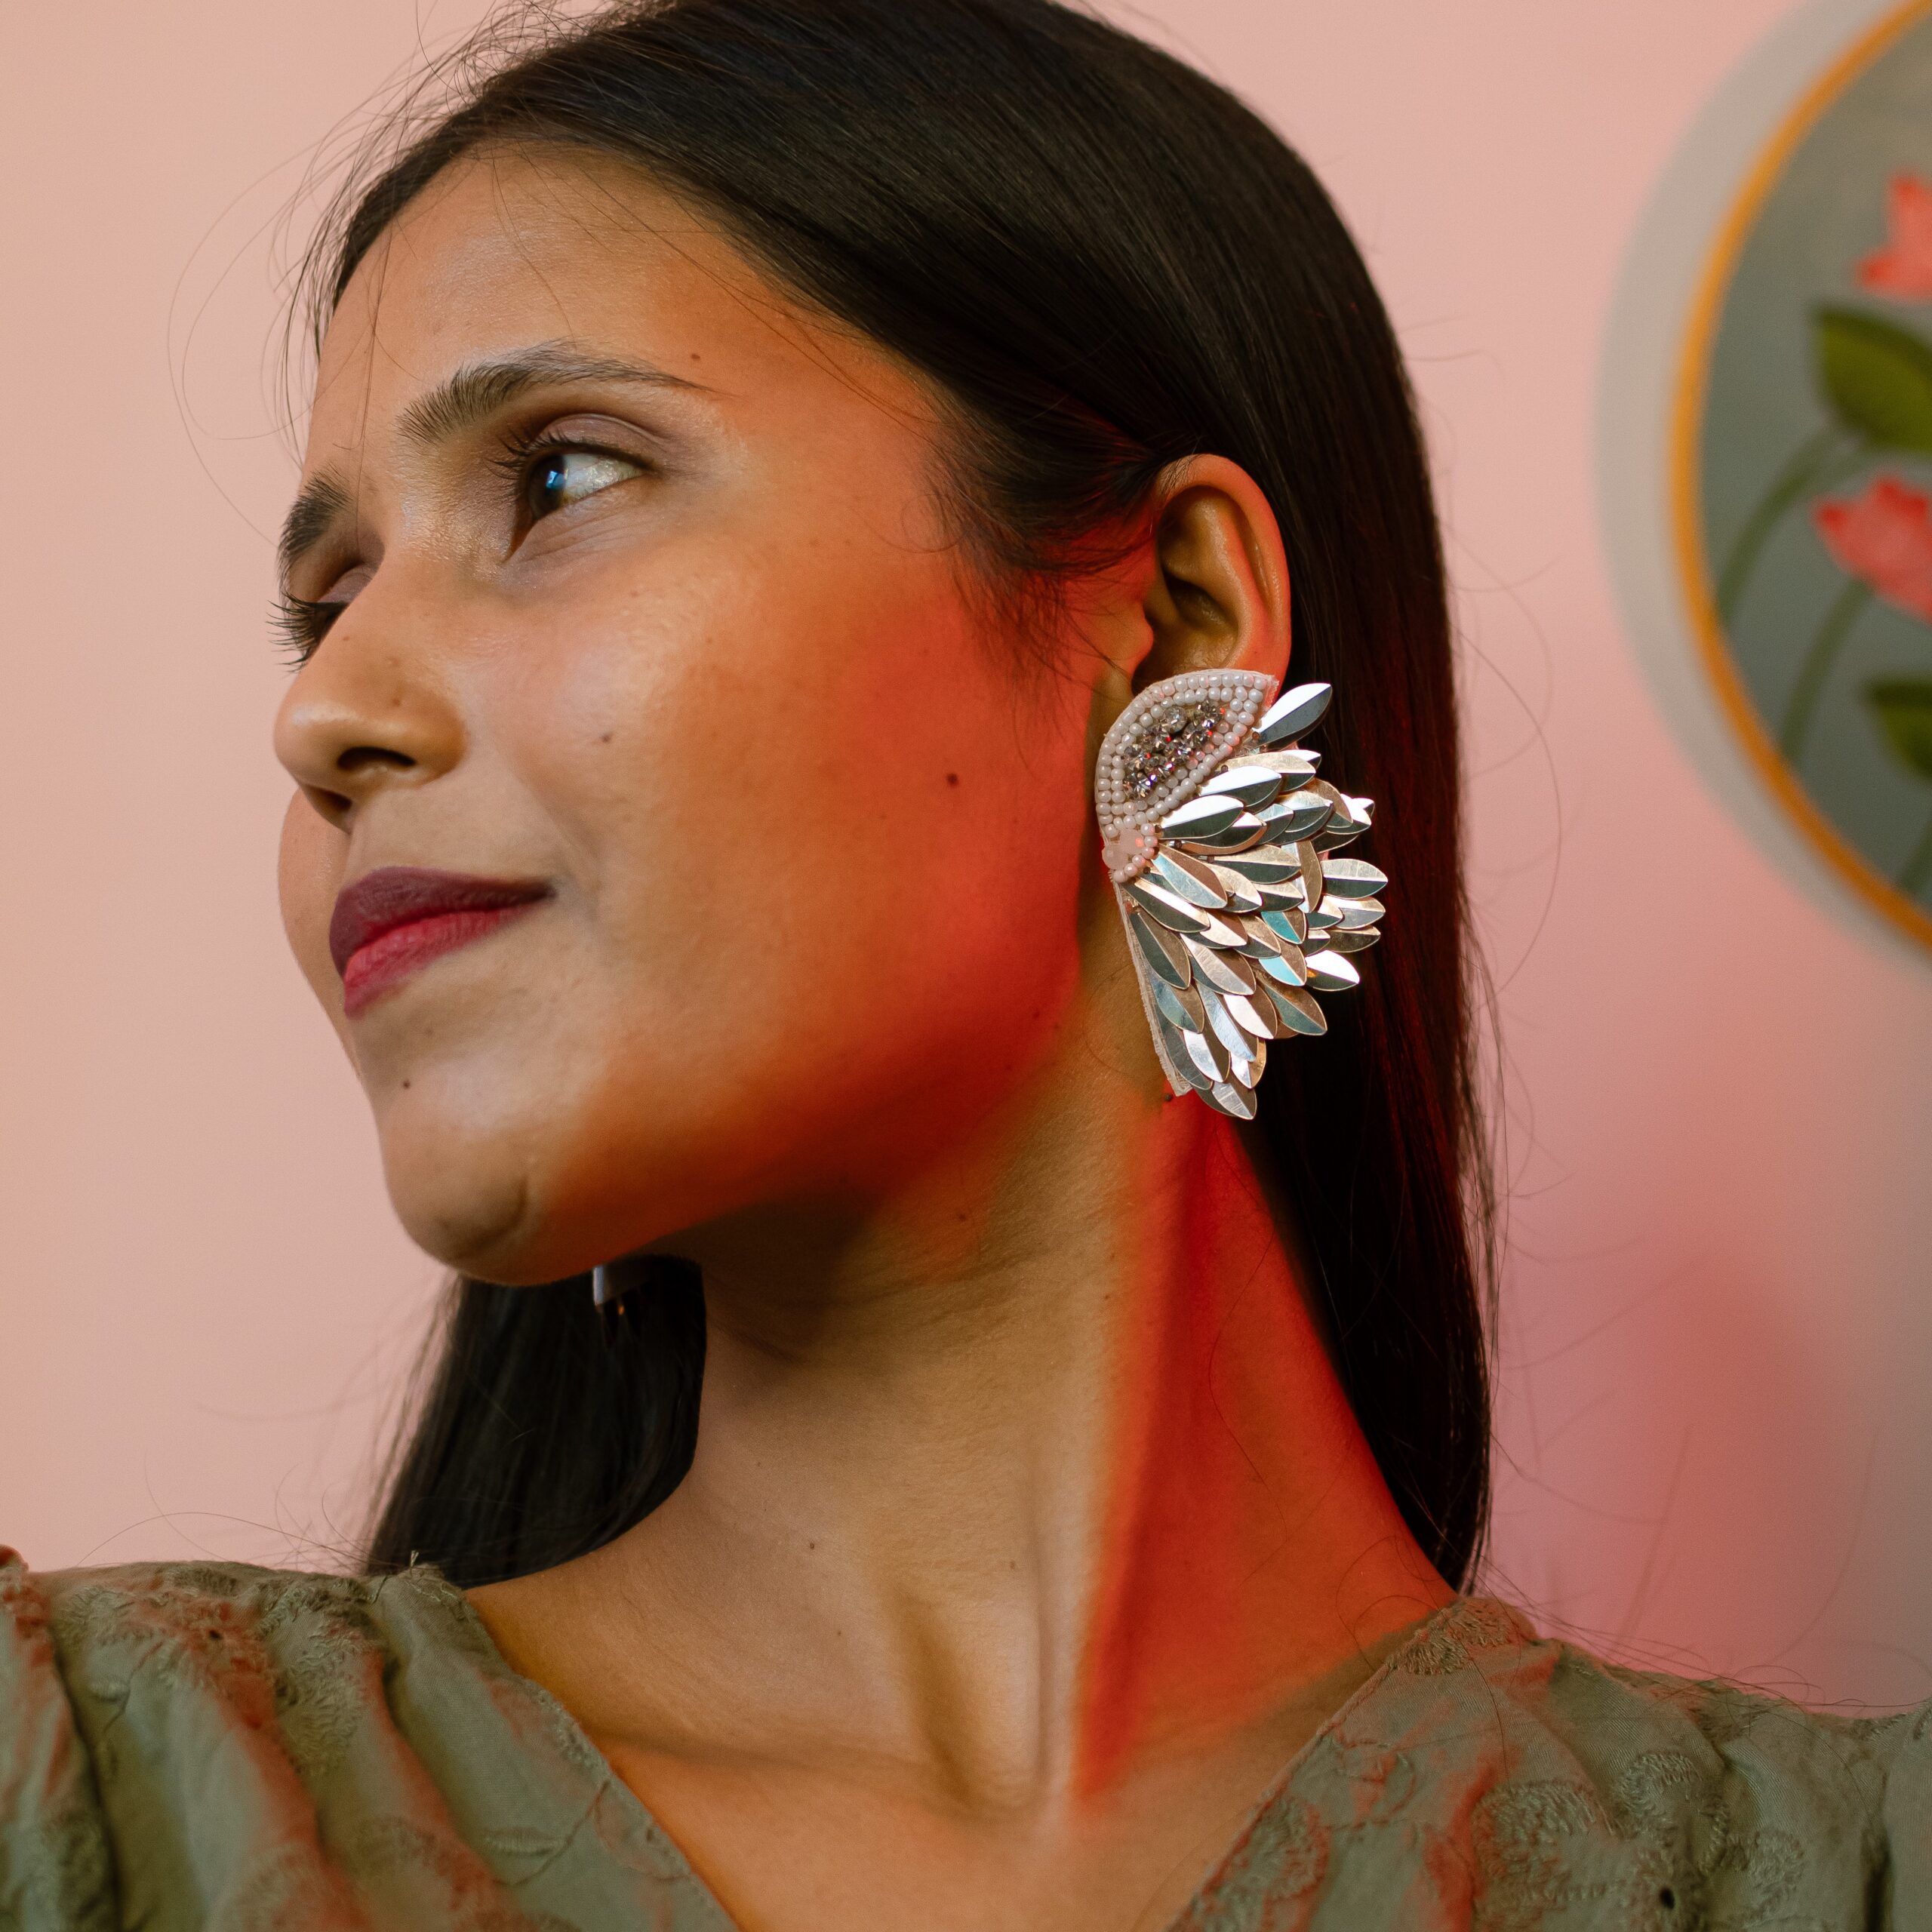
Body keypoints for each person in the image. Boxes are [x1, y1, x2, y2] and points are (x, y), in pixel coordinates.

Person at [3, 2, 1925, 1926]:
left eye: (561, 477)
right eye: (324, 597)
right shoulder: (73, 1780)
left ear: (1174, 622)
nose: (325, 710)